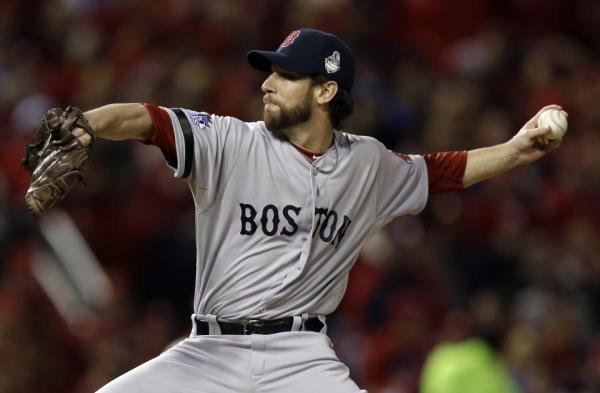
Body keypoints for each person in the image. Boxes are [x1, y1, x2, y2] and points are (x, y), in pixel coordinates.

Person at [71, 28, 562, 392]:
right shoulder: (231, 141)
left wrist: (516, 151)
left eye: (286, 76)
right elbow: (145, 119)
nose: (267, 85)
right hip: (210, 352)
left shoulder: (367, 163)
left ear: (326, 91)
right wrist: (84, 125)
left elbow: (441, 171)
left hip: (300, 358)